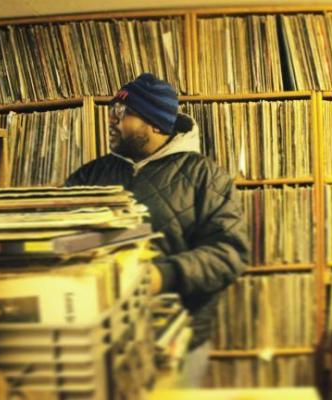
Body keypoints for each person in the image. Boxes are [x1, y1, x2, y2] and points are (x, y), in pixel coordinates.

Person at [65, 73, 249, 386]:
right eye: (112, 110)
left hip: (177, 342)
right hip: (101, 340)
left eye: (122, 113)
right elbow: (60, 237)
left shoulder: (205, 177)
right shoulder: (91, 175)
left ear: (156, 124)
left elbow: (230, 253)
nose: (111, 119)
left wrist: (162, 275)